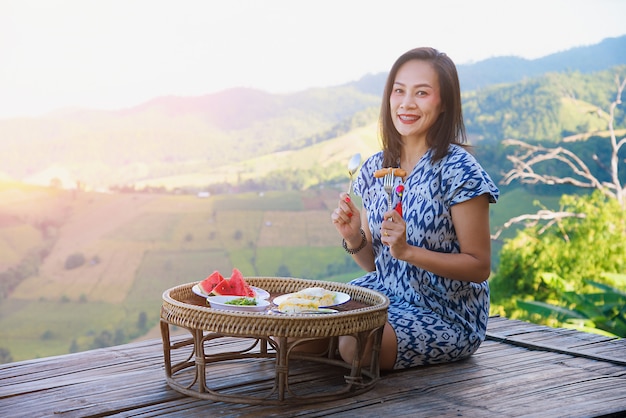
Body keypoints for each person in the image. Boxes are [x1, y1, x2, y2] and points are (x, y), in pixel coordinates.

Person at [331, 47, 499, 371]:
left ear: (444, 102)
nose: (407, 103)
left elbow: (479, 266)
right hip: (382, 295)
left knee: (354, 344)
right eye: (399, 90)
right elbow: (373, 265)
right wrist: (353, 237)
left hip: (444, 314)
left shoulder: (459, 170)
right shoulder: (373, 168)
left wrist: (408, 251)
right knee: (302, 328)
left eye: (421, 93)